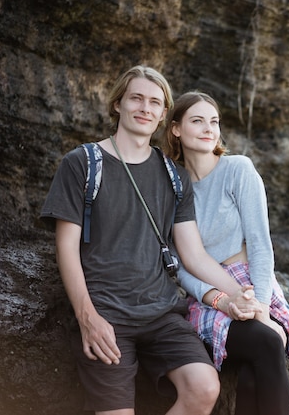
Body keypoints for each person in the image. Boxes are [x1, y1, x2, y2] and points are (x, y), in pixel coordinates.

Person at [40, 66, 261, 415]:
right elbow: (65, 247)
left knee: (204, 388)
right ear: (118, 104)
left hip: (161, 314)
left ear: (162, 115)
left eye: (155, 102)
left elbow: (193, 255)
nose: (145, 107)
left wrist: (236, 296)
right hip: (107, 313)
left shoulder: (173, 176)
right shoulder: (82, 163)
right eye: (137, 98)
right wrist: (87, 318)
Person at [163, 91, 289, 415]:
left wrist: (261, 308)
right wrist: (216, 298)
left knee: (261, 349)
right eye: (198, 121)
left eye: (214, 121)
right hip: (207, 296)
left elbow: (261, 246)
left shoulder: (238, 170)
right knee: (267, 343)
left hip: (253, 285)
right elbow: (180, 265)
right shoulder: (172, 185)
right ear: (176, 129)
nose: (209, 129)